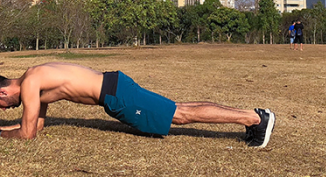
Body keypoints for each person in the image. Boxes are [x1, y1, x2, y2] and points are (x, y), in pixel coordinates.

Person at [0, 62, 275, 148]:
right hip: (114, 87)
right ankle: (252, 118)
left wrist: (2, 133)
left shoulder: (31, 83)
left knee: (178, 115)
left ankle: (254, 119)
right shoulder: (33, 78)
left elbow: (28, 134)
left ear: (2, 93)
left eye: (1, 106)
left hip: (116, 95)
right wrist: (9, 128)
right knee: (178, 109)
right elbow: (35, 123)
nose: (5, 109)